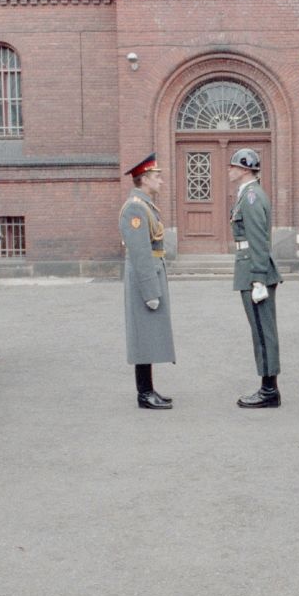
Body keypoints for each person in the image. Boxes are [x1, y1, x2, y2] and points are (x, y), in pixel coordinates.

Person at [119, 153, 175, 409]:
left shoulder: (146, 205)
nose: (161, 181)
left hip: (151, 271)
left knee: (150, 333)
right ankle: (144, 393)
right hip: (144, 275)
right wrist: (150, 290)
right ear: (143, 180)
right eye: (156, 176)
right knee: (143, 335)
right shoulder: (135, 208)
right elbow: (140, 252)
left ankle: (149, 388)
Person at [229, 147, 282, 407]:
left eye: (234, 166)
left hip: (254, 270)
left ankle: (269, 390)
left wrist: (259, 277)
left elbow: (258, 238)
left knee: (263, 331)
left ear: (246, 169)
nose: (231, 170)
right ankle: (267, 386)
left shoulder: (251, 196)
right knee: (260, 330)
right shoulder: (247, 194)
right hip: (249, 268)